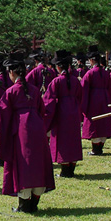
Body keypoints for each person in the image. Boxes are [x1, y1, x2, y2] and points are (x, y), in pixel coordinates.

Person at [0, 52, 54, 213]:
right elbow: (42, 110)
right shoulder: (35, 90)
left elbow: (1, 117)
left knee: (23, 164)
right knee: (37, 162)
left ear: (12, 72)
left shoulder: (11, 92)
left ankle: (24, 205)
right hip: (37, 127)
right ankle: (34, 202)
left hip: (21, 129)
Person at [43, 50, 83, 178]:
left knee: (63, 140)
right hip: (74, 111)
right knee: (73, 139)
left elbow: (48, 102)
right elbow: (80, 96)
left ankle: (65, 170)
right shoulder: (75, 80)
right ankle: (71, 168)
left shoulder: (56, 81)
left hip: (61, 112)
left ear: (59, 67)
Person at [81, 46, 111, 155]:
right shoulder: (106, 73)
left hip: (93, 99)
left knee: (94, 121)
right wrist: (107, 97)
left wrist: (84, 106)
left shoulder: (89, 73)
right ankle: (100, 146)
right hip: (104, 98)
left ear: (91, 60)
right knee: (103, 121)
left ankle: (95, 148)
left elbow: (84, 90)